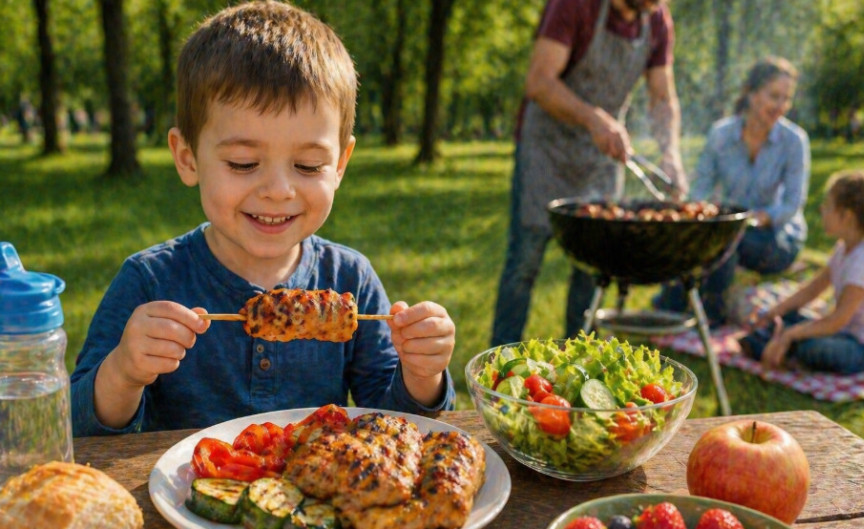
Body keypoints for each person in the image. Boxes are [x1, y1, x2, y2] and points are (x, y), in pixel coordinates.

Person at [70, 1, 456, 436]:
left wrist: (423, 375)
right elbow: (77, 425)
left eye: (308, 166)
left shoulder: (351, 278)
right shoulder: (148, 281)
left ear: (341, 165)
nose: (278, 190)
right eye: (242, 162)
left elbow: (390, 424)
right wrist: (123, 373)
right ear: (187, 157)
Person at [490, 0, 687, 347]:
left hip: (601, 156)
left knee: (594, 268)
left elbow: (662, 97)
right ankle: (500, 359)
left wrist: (670, 151)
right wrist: (594, 118)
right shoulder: (573, 5)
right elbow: (539, 81)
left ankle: (579, 363)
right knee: (524, 263)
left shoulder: (656, 18)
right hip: (546, 150)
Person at [654, 56, 810, 327]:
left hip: (776, 238)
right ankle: (674, 306)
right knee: (701, 234)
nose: (781, 106)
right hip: (732, 227)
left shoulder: (794, 141)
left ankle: (709, 316)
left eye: (786, 98)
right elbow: (701, 186)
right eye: (774, 96)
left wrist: (761, 218)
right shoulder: (721, 134)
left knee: (728, 239)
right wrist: (699, 211)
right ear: (751, 93)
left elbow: (792, 204)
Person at [739, 170, 864, 374]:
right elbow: (812, 290)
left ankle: (776, 348)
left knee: (812, 349)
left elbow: (836, 321)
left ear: (846, 216)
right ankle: (775, 344)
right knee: (788, 318)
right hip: (842, 332)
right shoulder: (844, 248)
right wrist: (775, 312)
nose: (822, 209)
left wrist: (791, 335)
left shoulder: (863, 263)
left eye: (828, 206)